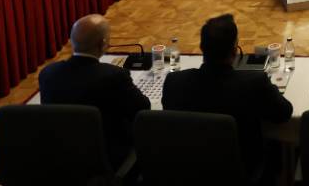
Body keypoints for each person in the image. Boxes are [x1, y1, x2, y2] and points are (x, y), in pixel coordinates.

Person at [162, 14, 292, 182]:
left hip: (189, 173)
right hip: (243, 173)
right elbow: (284, 113)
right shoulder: (254, 82)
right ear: (235, 50)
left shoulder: (174, 82)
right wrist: (269, 87)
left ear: (201, 47)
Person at [39, 14, 150, 167]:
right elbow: (142, 108)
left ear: (72, 41)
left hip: (60, 155)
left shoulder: (47, 73)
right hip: (107, 157)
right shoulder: (113, 76)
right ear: (103, 43)